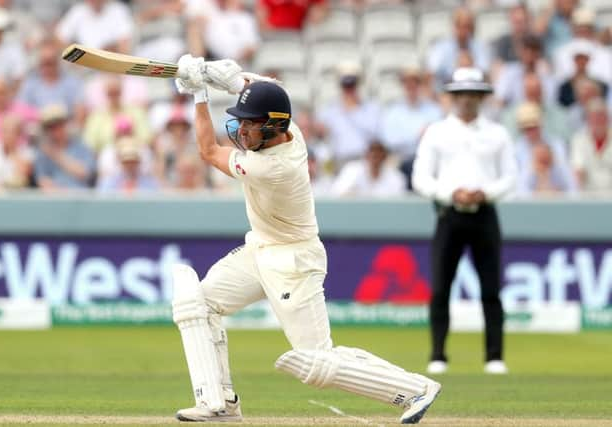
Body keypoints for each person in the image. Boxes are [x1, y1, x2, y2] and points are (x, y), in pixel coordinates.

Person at [168, 55, 441, 424]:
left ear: (274, 127)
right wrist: (229, 80)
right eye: (242, 123)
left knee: (316, 362)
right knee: (198, 302)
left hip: (293, 262)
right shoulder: (290, 132)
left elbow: (208, 151)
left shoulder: (271, 166)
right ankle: (219, 403)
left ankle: (416, 389)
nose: (243, 132)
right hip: (259, 249)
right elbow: (265, 89)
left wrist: (199, 93)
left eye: (250, 125)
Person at [412, 67, 518, 376]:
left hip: (484, 215)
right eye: (461, 94)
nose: (467, 101)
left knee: (491, 289)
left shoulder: (497, 133)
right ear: (453, 97)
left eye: (473, 94)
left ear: (482, 97)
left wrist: (484, 193)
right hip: (449, 215)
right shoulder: (437, 132)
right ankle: (438, 354)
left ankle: (494, 357)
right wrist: (450, 193)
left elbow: (510, 177)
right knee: (441, 287)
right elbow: (421, 178)